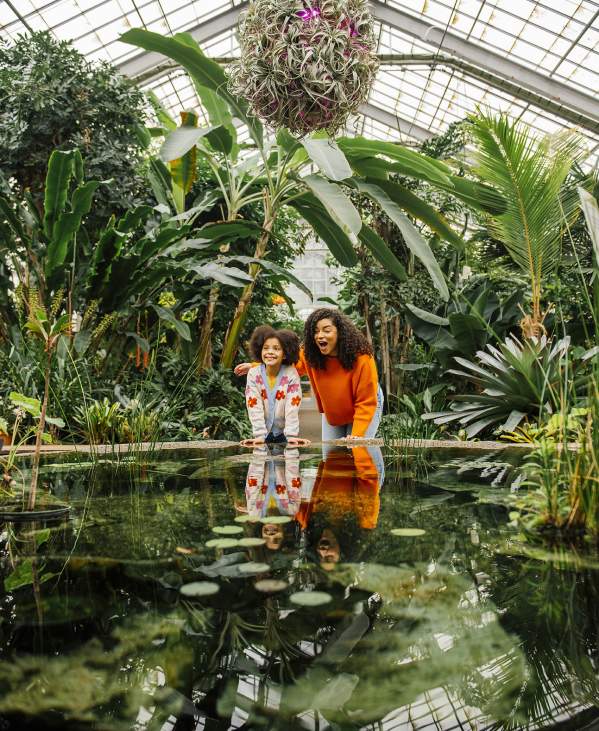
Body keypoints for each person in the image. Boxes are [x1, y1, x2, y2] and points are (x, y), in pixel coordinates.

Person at [235, 308, 383, 441]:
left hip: (365, 406)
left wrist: (356, 435)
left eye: (326, 330)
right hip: (334, 413)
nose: (320, 335)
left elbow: (366, 402)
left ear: (340, 332)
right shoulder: (310, 355)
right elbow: (289, 365)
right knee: (331, 460)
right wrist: (256, 367)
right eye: (316, 331)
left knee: (358, 452)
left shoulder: (362, 358)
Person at [241, 325, 311, 447]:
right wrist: (259, 436)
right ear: (260, 351)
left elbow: (292, 407)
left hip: (284, 435)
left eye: (276, 348)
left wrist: (291, 436)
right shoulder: (253, 374)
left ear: (285, 354)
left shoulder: (291, 373)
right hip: (262, 435)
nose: (270, 352)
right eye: (266, 348)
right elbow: (253, 406)